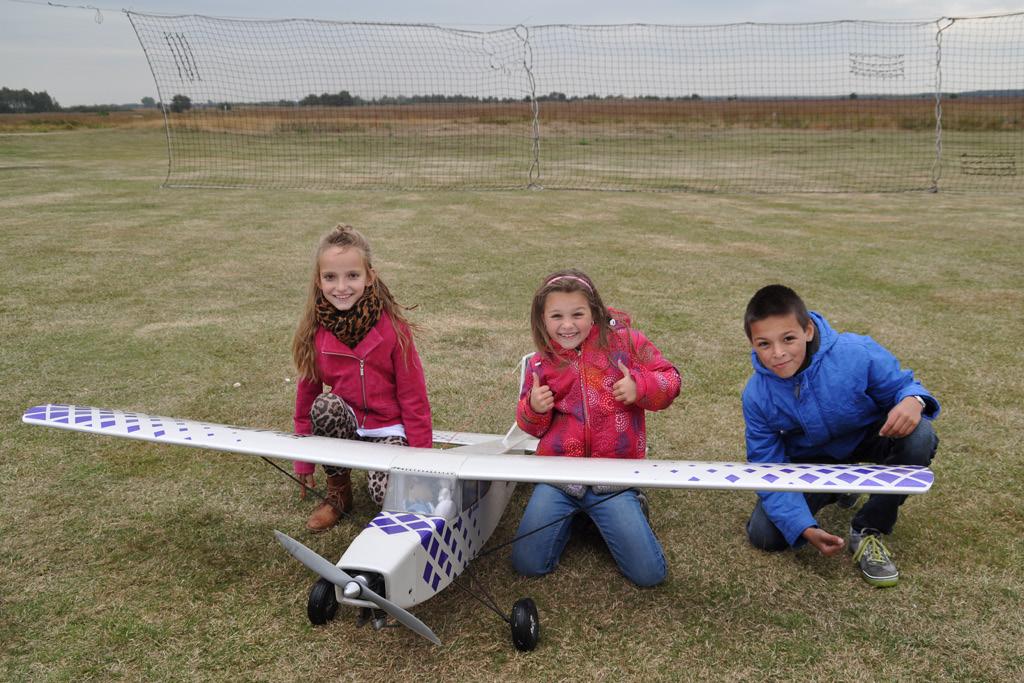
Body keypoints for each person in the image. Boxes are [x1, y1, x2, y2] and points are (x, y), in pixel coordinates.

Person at [741, 284, 939, 587]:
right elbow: (766, 467)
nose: (778, 353)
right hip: (811, 462)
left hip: (869, 440)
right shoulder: (757, 396)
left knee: (920, 436)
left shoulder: (856, 352)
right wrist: (804, 527)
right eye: (764, 344)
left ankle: (868, 530)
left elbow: (904, 386)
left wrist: (914, 401)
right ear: (752, 344)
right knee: (765, 535)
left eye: (788, 338)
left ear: (808, 330)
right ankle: (838, 488)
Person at [511, 269, 681, 587]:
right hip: (559, 477)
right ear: (542, 319)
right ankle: (580, 519)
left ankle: (621, 508)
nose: (567, 325)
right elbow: (529, 427)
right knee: (528, 564)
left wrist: (640, 387)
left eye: (577, 313)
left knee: (649, 576)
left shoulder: (627, 344)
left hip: (614, 477)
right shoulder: (540, 363)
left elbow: (671, 378)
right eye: (556, 316)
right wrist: (534, 407)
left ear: (594, 312)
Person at [291, 224, 432, 532]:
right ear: (319, 280)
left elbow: (414, 398)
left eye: (352, 275)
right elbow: (306, 398)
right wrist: (303, 459)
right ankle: (339, 493)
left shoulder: (394, 330)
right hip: (348, 424)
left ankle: (389, 475)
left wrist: (423, 465)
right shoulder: (314, 333)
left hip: (388, 429)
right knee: (324, 405)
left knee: (386, 494)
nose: (341, 286)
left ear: (370, 276)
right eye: (331, 277)